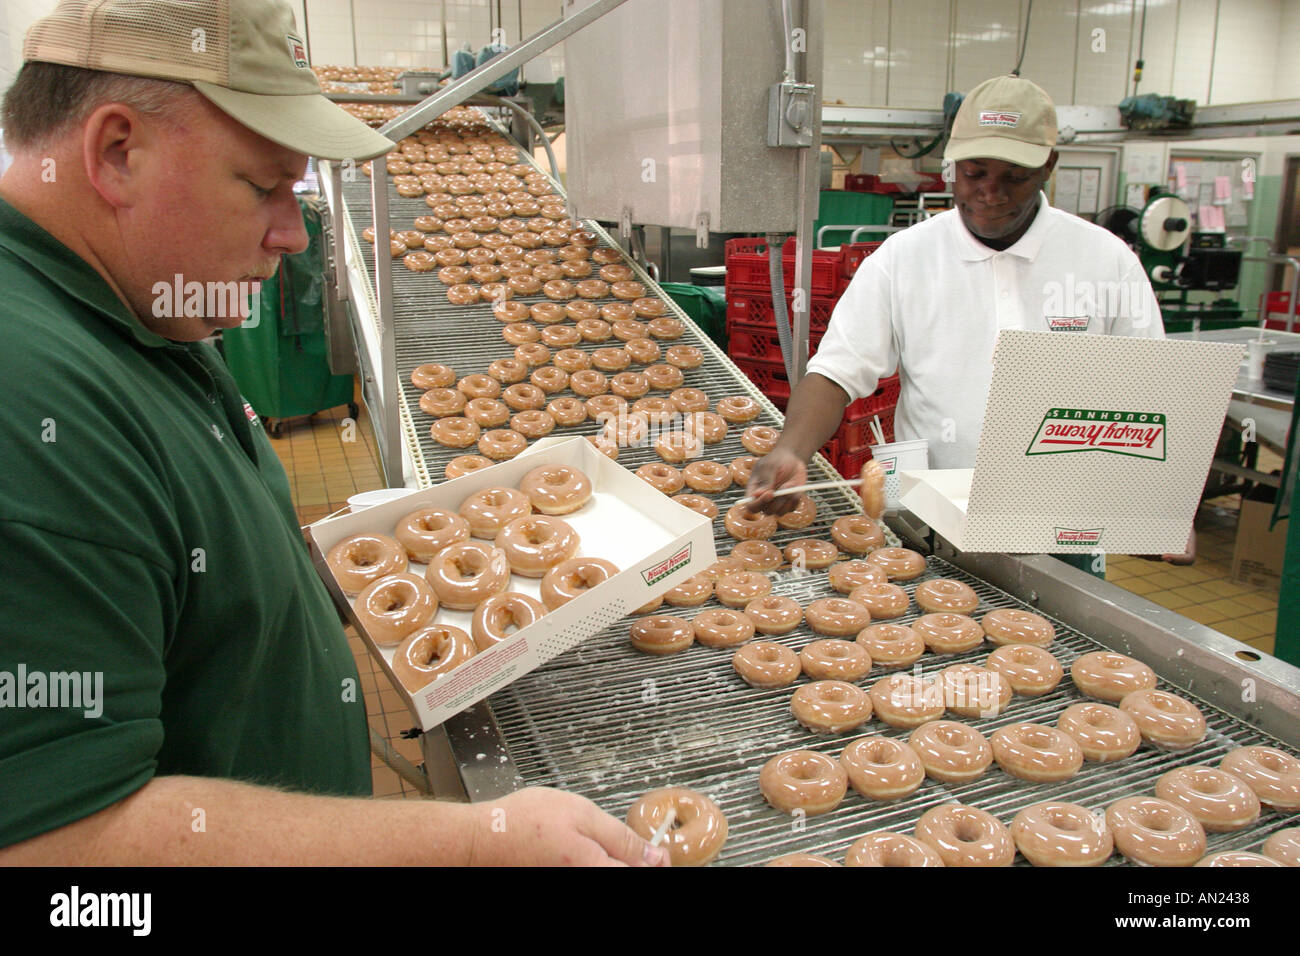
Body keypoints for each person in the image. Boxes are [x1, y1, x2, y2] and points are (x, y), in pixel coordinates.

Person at [0, 0, 666, 867]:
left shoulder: (136, 306)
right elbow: (57, 846)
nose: (293, 231)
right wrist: (472, 844)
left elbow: (159, 561)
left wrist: (298, 568)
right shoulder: (27, 395)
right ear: (117, 151)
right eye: (262, 184)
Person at [747, 73, 1194, 567]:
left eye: (1013, 177)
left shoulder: (1105, 262)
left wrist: (1160, 505)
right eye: (974, 173)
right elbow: (837, 368)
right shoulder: (905, 258)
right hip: (929, 522)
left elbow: (1149, 392)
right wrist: (793, 449)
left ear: (1049, 165)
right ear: (951, 165)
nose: (990, 193)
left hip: (1061, 528)